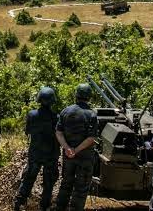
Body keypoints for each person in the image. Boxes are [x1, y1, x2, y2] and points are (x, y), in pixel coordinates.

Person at [14, 86, 60, 211]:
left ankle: (19, 202)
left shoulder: (32, 115)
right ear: (52, 101)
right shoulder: (56, 117)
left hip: (35, 153)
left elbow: (28, 131)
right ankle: (44, 206)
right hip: (51, 154)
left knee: (29, 178)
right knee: (48, 182)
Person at [55, 83, 98, 211]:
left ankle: (60, 208)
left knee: (66, 184)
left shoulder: (65, 111)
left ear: (76, 95)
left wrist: (67, 148)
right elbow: (91, 138)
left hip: (69, 157)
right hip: (84, 158)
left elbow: (58, 132)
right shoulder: (91, 115)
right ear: (89, 97)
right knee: (81, 187)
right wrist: (76, 150)